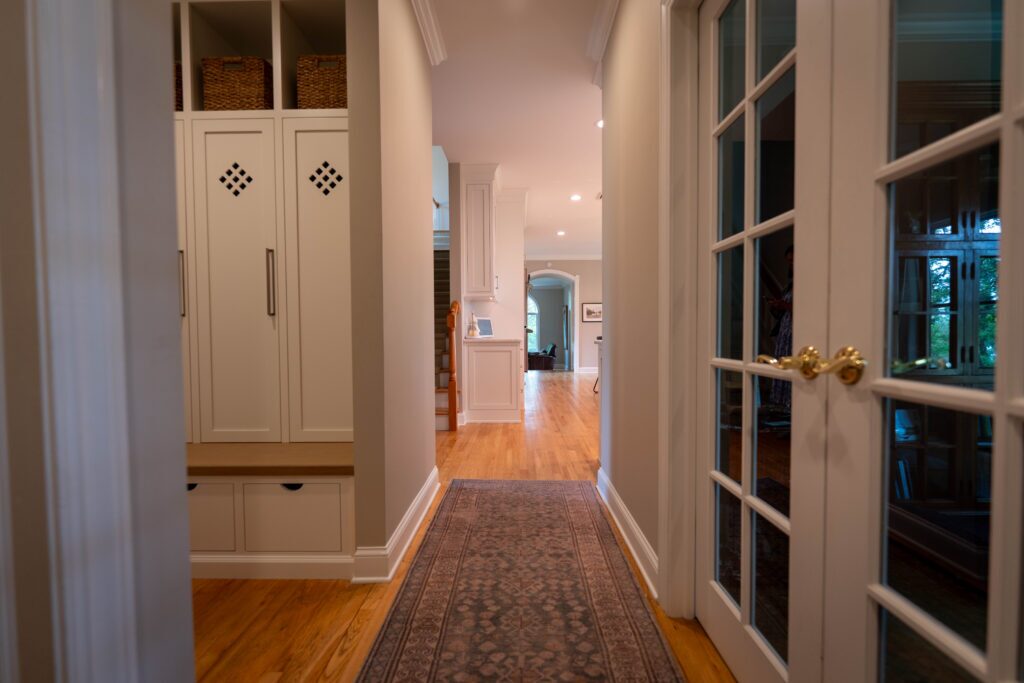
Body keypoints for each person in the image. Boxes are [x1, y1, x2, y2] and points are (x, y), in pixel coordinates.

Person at [768, 245, 794, 410]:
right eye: (789, 261)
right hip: (785, 332)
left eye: (793, 260)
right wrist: (778, 305)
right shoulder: (791, 284)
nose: (791, 264)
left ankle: (791, 406)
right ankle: (784, 408)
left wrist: (786, 305)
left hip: (793, 333)